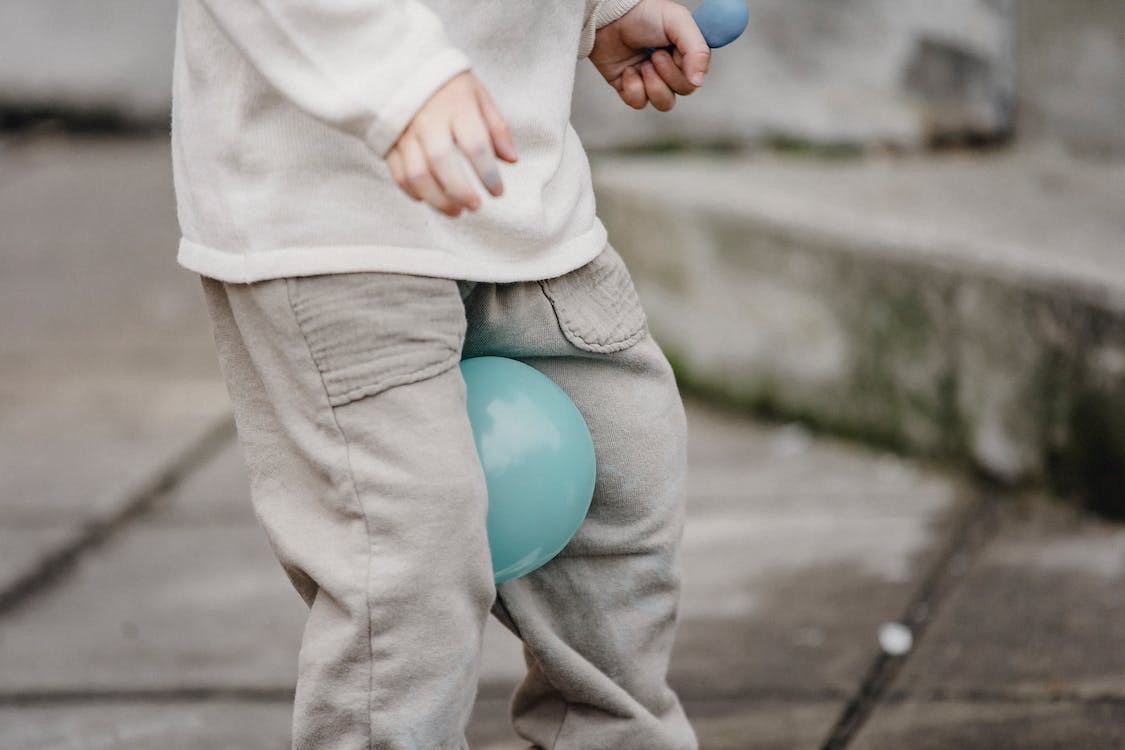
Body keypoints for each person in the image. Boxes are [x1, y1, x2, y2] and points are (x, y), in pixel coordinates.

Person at [171, 1, 711, 748]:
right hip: (330, 213)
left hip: (522, 193)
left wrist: (602, 10)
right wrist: (401, 80)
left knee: (626, 480)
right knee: (408, 561)